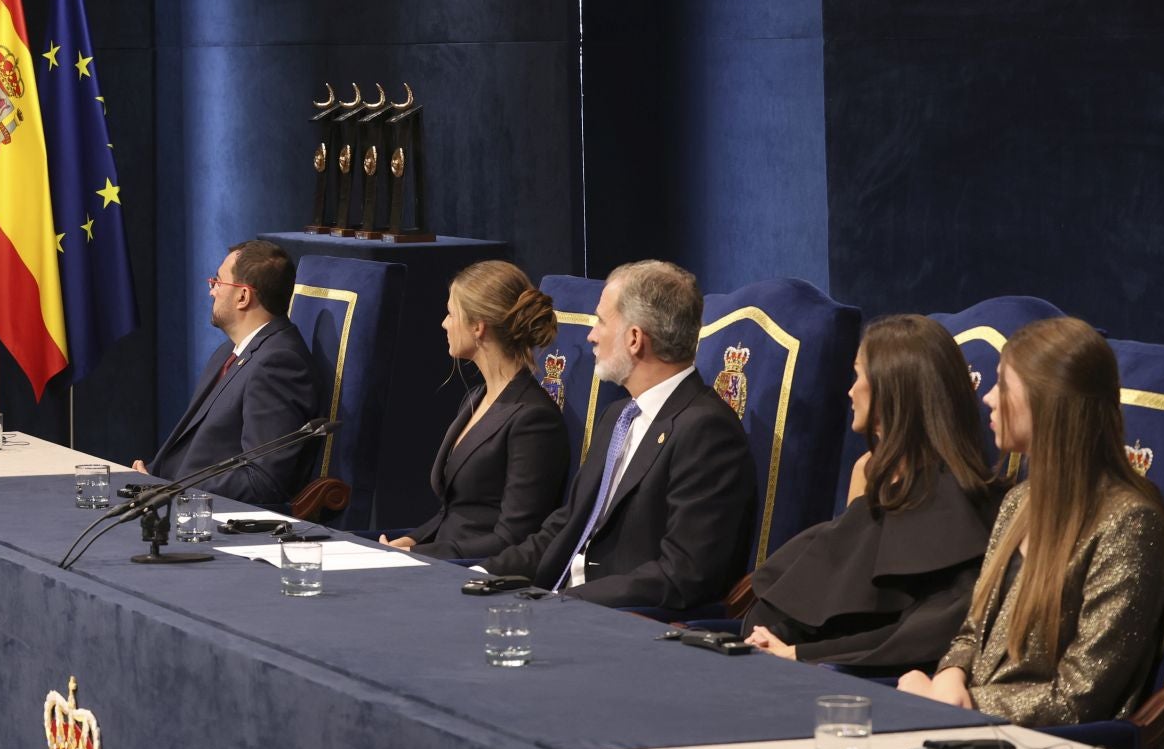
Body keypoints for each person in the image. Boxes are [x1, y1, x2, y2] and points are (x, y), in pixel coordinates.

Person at [899, 317, 1164, 726]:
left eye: (1004, 386)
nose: (989, 399)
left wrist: (965, 705)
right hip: (972, 727)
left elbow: (1079, 697)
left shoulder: (1130, 524)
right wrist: (949, 677)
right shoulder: (1019, 502)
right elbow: (972, 632)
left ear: (1051, 404)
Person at [482, 260, 754, 610]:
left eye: (601, 321)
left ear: (635, 339)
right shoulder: (618, 416)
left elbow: (684, 574)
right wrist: (481, 572)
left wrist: (562, 600)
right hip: (563, 607)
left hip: (625, 627)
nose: (591, 335)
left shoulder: (706, 431)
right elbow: (565, 527)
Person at [743, 314, 1000, 669]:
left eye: (859, 374)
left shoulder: (950, 497)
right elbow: (839, 594)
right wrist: (775, 637)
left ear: (892, 387)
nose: (850, 390)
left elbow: (918, 633)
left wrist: (798, 654)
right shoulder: (866, 472)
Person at [379, 261, 568, 560]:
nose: (444, 323)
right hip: (442, 560)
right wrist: (411, 540)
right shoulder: (475, 396)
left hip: (479, 575)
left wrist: (422, 552)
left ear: (478, 327)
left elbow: (514, 538)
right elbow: (456, 512)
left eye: (452, 314)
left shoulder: (534, 419)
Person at [135, 240, 321, 506]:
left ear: (243, 296)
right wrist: (151, 475)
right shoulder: (228, 352)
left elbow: (263, 479)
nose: (212, 291)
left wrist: (171, 489)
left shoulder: (279, 364)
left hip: (210, 518)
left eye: (218, 282)